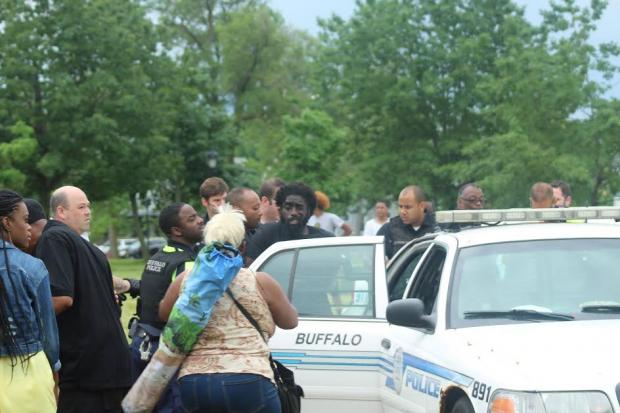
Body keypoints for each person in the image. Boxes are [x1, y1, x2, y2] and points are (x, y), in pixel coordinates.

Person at [158, 209, 298, 413]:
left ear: (207, 244)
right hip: (249, 380)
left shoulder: (187, 279)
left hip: (195, 383)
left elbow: (163, 313)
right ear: (242, 245)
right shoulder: (260, 281)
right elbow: (290, 321)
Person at [35, 186, 131, 413]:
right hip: (112, 364)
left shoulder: (54, 238)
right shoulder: (85, 247)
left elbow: (61, 298)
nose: (88, 211)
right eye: (81, 207)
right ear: (61, 211)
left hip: (86, 369)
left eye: (88, 206)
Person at [129, 202, 205, 412]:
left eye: (197, 215)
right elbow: (192, 314)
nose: (200, 220)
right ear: (176, 231)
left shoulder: (157, 258)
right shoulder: (187, 264)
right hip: (167, 350)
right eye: (191, 219)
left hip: (142, 344)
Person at [0, 189, 60, 413]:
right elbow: (49, 338)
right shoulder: (31, 267)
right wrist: (54, 370)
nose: (29, 227)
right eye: (25, 220)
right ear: (6, 222)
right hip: (29, 373)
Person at [245, 182, 334, 264]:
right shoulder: (264, 235)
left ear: (309, 211)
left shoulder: (324, 240)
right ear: (280, 209)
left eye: (299, 207)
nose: (293, 212)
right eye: (288, 207)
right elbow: (250, 273)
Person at [378, 185, 438, 260]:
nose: (403, 211)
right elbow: (372, 258)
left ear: (422, 206)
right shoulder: (389, 229)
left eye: (408, 207)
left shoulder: (438, 228)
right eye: (400, 206)